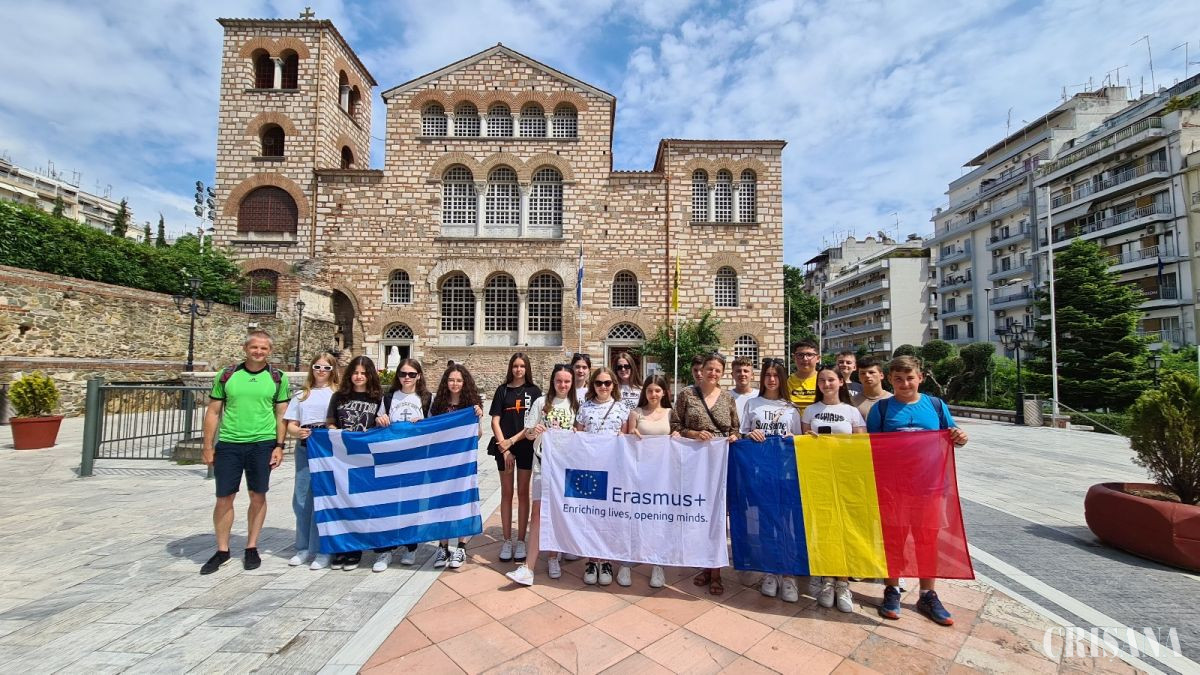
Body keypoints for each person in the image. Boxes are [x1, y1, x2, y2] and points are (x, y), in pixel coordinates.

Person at [866, 355, 969, 627]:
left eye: (910, 378)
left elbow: (954, 435)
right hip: (894, 488)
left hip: (930, 487)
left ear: (920, 378)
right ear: (890, 380)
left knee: (927, 541)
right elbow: (870, 448)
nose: (904, 384)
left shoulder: (935, 405)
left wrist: (960, 437)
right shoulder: (882, 409)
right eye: (898, 379)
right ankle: (891, 589)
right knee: (894, 540)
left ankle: (927, 594)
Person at [200, 330, 291, 575]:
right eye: (254, 347)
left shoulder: (277, 378)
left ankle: (251, 546)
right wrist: (207, 445)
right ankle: (222, 549)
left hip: (262, 443)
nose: (258, 352)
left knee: (257, 495)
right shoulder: (227, 375)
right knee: (224, 497)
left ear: (269, 351)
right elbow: (213, 412)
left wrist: (279, 446)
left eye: (263, 348)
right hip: (230, 442)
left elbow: (281, 414)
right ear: (245, 349)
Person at [801, 365, 867, 613]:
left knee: (844, 528)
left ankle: (843, 582)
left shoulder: (851, 411)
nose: (826, 384)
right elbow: (803, 443)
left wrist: (841, 446)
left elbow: (861, 446)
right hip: (818, 477)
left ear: (840, 382)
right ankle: (827, 578)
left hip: (844, 476)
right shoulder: (810, 411)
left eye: (831, 380)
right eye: (822, 380)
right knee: (824, 526)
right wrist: (811, 441)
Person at [672, 352, 740, 596]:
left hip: (720, 463)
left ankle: (716, 571)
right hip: (694, 462)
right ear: (702, 370)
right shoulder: (686, 395)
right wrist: (694, 434)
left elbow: (735, 428)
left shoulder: (728, 398)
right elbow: (676, 425)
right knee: (699, 514)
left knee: (718, 516)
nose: (713, 373)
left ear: (722, 373)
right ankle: (704, 564)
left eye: (717, 370)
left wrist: (733, 437)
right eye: (709, 368)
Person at [508, 364, 579, 586]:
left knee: (559, 513)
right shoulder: (541, 403)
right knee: (537, 513)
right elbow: (528, 433)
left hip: (566, 468)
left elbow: (582, 434)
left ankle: (553, 557)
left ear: (572, 383)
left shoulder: (577, 405)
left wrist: (577, 433)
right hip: (543, 464)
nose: (563, 385)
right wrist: (534, 431)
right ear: (552, 381)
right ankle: (528, 567)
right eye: (559, 381)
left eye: (567, 381)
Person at [738, 357, 802, 602]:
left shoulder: (791, 407)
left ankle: (788, 573)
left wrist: (792, 438)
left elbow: (799, 440)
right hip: (760, 472)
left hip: (786, 474)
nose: (772, 379)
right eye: (767, 375)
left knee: (786, 524)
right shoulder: (752, 404)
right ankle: (770, 570)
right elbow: (742, 434)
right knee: (765, 522)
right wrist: (750, 435)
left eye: (776, 375)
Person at [324, 355, 384, 571]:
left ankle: (356, 547)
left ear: (370, 376)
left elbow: (383, 423)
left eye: (363, 373)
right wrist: (336, 433)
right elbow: (330, 423)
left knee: (360, 503)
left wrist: (383, 421)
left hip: (366, 458)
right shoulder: (339, 397)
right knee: (342, 502)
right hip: (342, 458)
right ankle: (342, 547)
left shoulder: (378, 398)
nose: (359, 377)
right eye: (355, 373)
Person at [372, 358, 432, 572]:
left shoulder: (426, 398)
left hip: (415, 459)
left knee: (410, 504)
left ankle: (410, 546)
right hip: (391, 458)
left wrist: (423, 424)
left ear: (419, 376)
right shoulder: (389, 398)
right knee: (387, 503)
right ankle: (385, 549)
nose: (407, 378)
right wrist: (380, 420)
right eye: (403, 374)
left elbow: (434, 425)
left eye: (411, 374)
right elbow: (379, 420)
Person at [574, 366, 632, 585]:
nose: (603, 387)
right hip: (590, 470)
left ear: (613, 385)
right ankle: (591, 560)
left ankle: (606, 560)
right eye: (599, 383)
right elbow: (578, 435)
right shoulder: (585, 407)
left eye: (607, 383)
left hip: (614, 469)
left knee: (609, 516)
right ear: (593, 385)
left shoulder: (621, 408)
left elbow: (627, 438)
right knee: (591, 516)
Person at [283, 352, 340, 570]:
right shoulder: (301, 395)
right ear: (312, 369)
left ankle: (323, 549)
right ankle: (303, 546)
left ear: (333, 370)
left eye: (326, 368)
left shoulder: (336, 394)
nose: (321, 371)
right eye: (318, 367)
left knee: (323, 499)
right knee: (301, 497)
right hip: (305, 447)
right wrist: (296, 432)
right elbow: (291, 424)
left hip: (326, 449)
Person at [428, 363, 485, 570]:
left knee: (462, 501)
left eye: (459, 380)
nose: (455, 383)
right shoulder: (437, 404)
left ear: (464, 383)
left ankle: (461, 546)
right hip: (440, 461)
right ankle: (443, 546)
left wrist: (477, 417)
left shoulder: (472, 405)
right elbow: (429, 429)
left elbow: (478, 435)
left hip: (462, 462)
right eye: (451, 380)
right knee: (441, 502)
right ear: (446, 382)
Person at [489, 353, 541, 564]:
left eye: (522, 366)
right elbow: (495, 421)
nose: (518, 369)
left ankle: (520, 540)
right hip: (504, 448)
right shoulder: (502, 390)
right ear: (511, 368)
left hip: (525, 445)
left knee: (523, 492)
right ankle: (507, 540)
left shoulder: (534, 391)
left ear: (527, 368)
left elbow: (532, 423)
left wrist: (512, 441)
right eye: (515, 366)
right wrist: (505, 448)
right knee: (507, 492)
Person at [625, 373, 675, 589]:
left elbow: (678, 440)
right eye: (649, 390)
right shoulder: (635, 413)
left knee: (658, 518)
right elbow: (626, 444)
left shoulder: (671, 414)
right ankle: (627, 562)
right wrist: (631, 434)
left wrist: (677, 437)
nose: (653, 394)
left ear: (664, 393)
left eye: (657, 390)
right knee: (634, 517)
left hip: (662, 475)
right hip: (639, 474)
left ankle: (657, 564)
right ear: (644, 392)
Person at [786, 340, 820, 414]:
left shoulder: (825, 381)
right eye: (800, 355)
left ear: (818, 358)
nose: (805, 359)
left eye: (809, 355)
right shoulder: (785, 381)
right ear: (793, 357)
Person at [731, 356, 759, 421]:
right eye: (738, 371)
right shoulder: (726, 397)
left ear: (752, 375)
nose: (742, 374)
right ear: (732, 375)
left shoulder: (760, 396)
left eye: (746, 371)